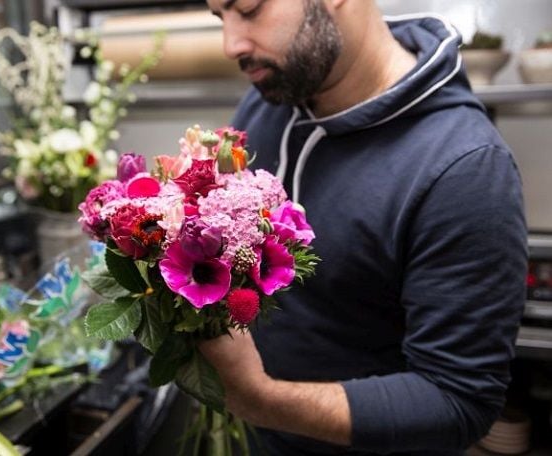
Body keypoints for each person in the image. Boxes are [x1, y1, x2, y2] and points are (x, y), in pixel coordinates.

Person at [199, 0, 528, 455]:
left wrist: (258, 399)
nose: (230, 43)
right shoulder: (272, 94)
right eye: (220, 16)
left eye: (250, 9)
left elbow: (458, 402)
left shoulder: (463, 168)